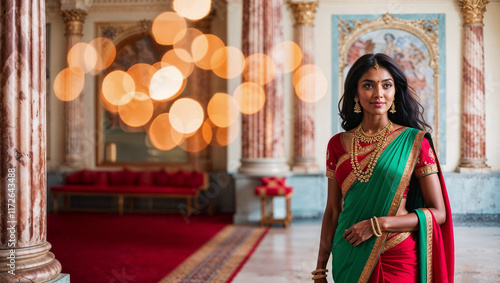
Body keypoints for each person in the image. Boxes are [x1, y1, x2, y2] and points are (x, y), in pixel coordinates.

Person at [311, 53, 454, 283]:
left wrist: (379, 224)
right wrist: (320, 270)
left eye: (386, 85)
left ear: (395, 91)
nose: (379, 94)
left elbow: (438, 213)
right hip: (349, 252)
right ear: (355, 92)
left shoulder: (414, 142)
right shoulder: (337, 144)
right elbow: (332, 211)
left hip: (397, 256)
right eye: (368, 85)